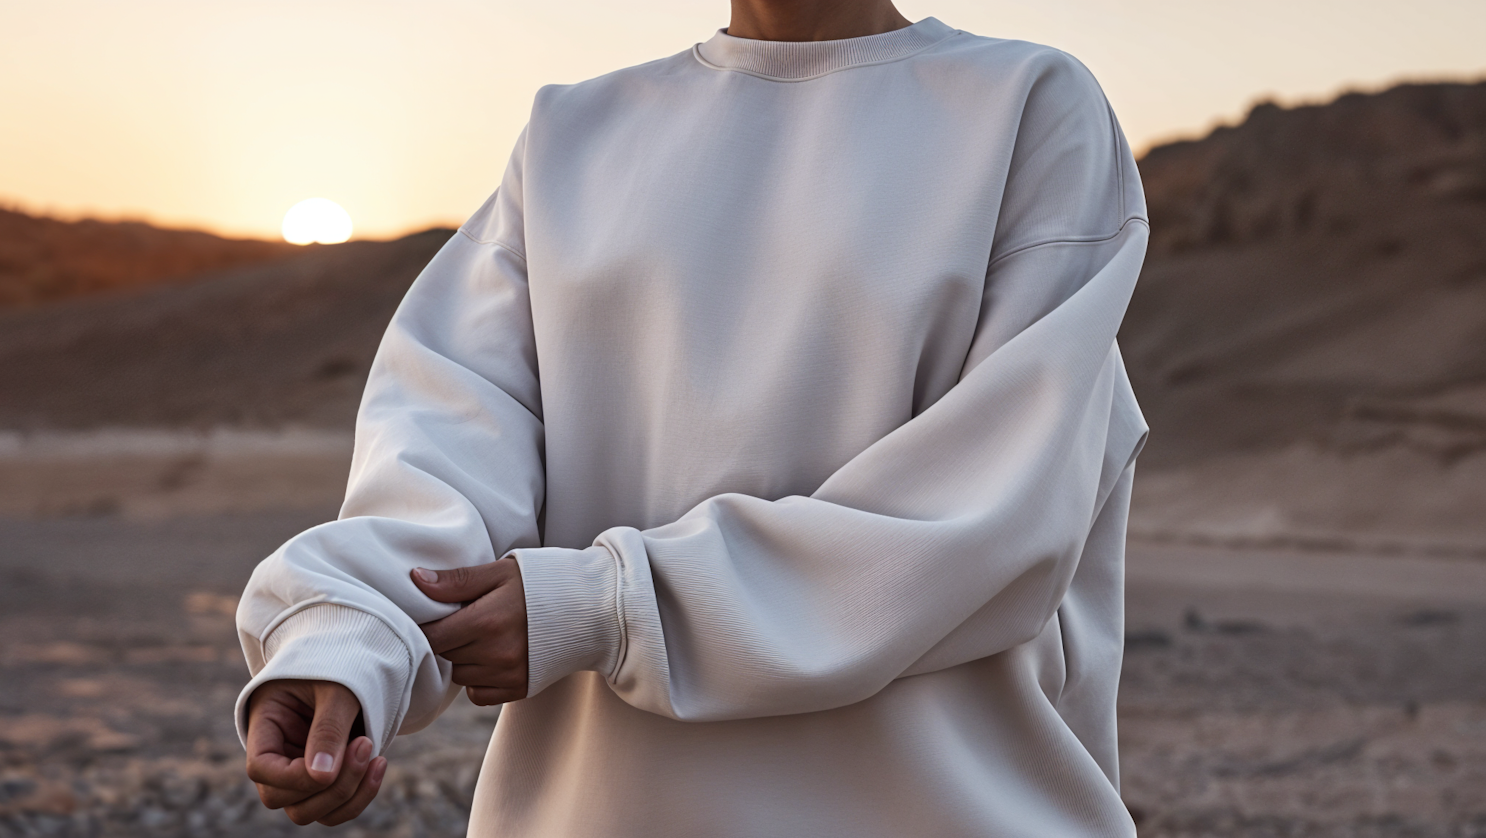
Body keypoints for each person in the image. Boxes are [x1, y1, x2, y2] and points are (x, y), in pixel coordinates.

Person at [236, 0, 1149, 833]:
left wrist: (611, 606)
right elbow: (447, 437)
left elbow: (988, 515)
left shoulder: (1027, 107)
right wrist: (350, 639)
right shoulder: (574, 136)